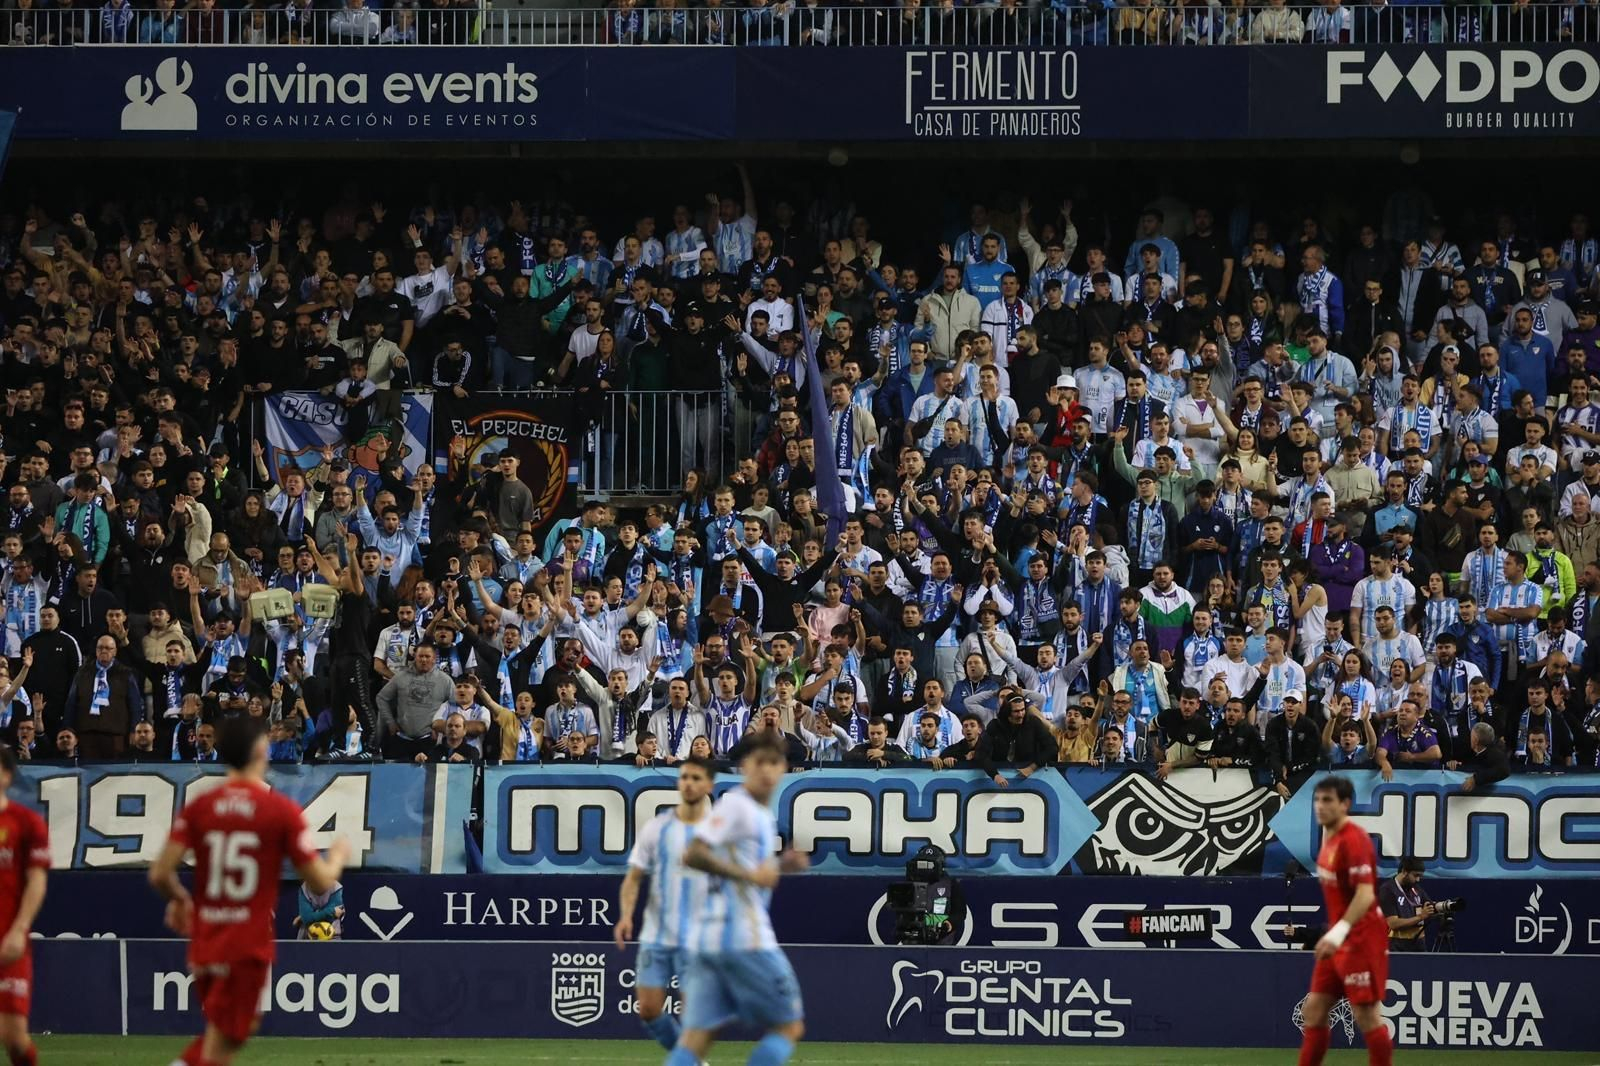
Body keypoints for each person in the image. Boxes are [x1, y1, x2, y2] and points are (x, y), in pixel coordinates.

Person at [148, 716, 351, 1066]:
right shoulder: (278, 811)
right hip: (245, 942)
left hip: (206, 938)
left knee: (227, 1030)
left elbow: (160, 873)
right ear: (260, 750)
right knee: (229, 1033)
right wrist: (337, 858)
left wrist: (180, 900)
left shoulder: (201, 806)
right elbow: (320, 882)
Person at [673, 736, 808, 1066]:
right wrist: (749, 875)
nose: (767, 770)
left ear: (784, 768)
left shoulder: (758, 813)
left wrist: (781, 865)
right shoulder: (737, 805)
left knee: (695, 1040)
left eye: (774, 763)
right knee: (789, 1027)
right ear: (745, 766)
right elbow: (694, 854)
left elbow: (753, 870)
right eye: (760, 762)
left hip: (711, 937)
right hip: (744, 935)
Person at [615, 757, 714, 1055]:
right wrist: (626, 916)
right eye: (684, 778)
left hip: (696, 937)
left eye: (696, 778)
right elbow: (634, 878)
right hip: (656, 935)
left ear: (709, 785)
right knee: (648, 1009)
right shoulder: (657, 828)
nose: (689, 784)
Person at [1295, 774, 1393, 1066]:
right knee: (1314, 1011)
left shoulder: (1354, 840)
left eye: (1328, 800)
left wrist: (1336, 934)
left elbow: (1365, 895)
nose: (1320, 806)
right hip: (1339, 938)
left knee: (1366, 1016)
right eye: (1317, 800)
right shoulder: (1329, 840)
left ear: (1345, 804)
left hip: (1361, 938)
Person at [0, 746, 47, 1066]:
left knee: (15, 1039)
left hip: (9, 940)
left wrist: (19, 929)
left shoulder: (27, 823)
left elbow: (36, 881)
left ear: (6, 775)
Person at [1377, 855, 1433, 954]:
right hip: (1397, 947)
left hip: (1418, 946)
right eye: (1415, 875)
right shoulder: (1388, 890)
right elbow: (1393, 923)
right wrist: (1421, 917)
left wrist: (1441, 908)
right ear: (1404, 872)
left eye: (1420, 876)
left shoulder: (1416, 888)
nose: (1418, 880)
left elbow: (1430, 906)